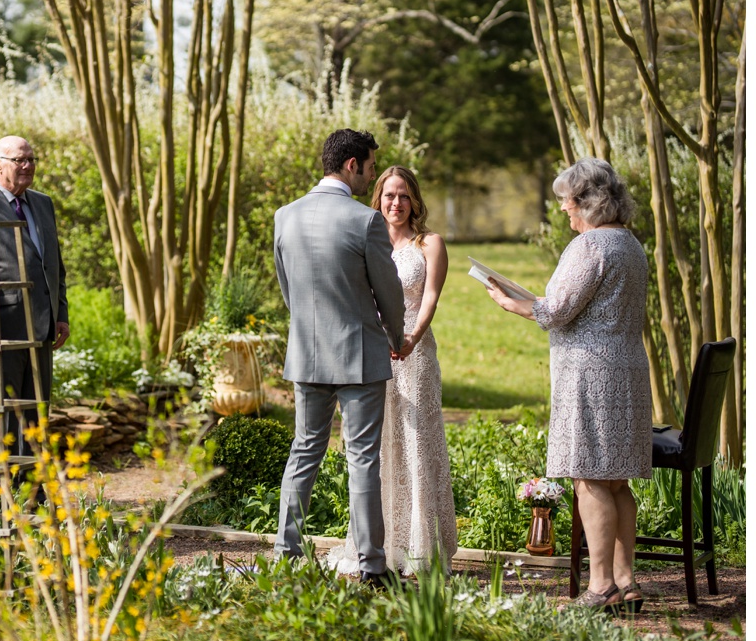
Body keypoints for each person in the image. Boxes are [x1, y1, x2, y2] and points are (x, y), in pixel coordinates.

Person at [486, 157, 651, 612]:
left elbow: (555, 311)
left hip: (591, 374)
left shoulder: (589, 246)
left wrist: (509, 302)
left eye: (567, 201)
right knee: (616, 482)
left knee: (590, 479)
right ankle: (626, 581)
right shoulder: (631, 245)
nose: (563, 209)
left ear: (588, 202)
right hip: (628, 370)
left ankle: (600, 588)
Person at [273, 128, 407, 586]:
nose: (371, 176)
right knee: (362, 458)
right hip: (360, 356)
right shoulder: (363, 221)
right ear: (352, 165)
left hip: (307, 356)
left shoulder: (284, 217)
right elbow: (388, 294)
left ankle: (285, 555)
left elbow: (287, 290)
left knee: (304, 450)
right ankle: (372, 567)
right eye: (370, 167)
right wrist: (397, 335)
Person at [324, 165, 458, 576]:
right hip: (373, 355)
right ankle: (375, 547)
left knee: (417, 444)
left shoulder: (430, 243)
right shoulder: (368, 240)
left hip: (415, 356)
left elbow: (431, 297)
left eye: (403, 195)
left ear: (414, 200)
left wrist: (411, 337)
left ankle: (420, 548)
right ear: (378, 199)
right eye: (388, 195)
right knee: (377, 447)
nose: (395, 203)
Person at [0, 136, 69, 453]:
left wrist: (61, 314)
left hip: (42, 327)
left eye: (31, 159)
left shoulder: (43, 203)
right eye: (20, 160)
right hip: (0, 329)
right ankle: (5, 491)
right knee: (3, 413)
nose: (28, 166)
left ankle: (35, 490)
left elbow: (54, 264)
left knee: (37, 414)